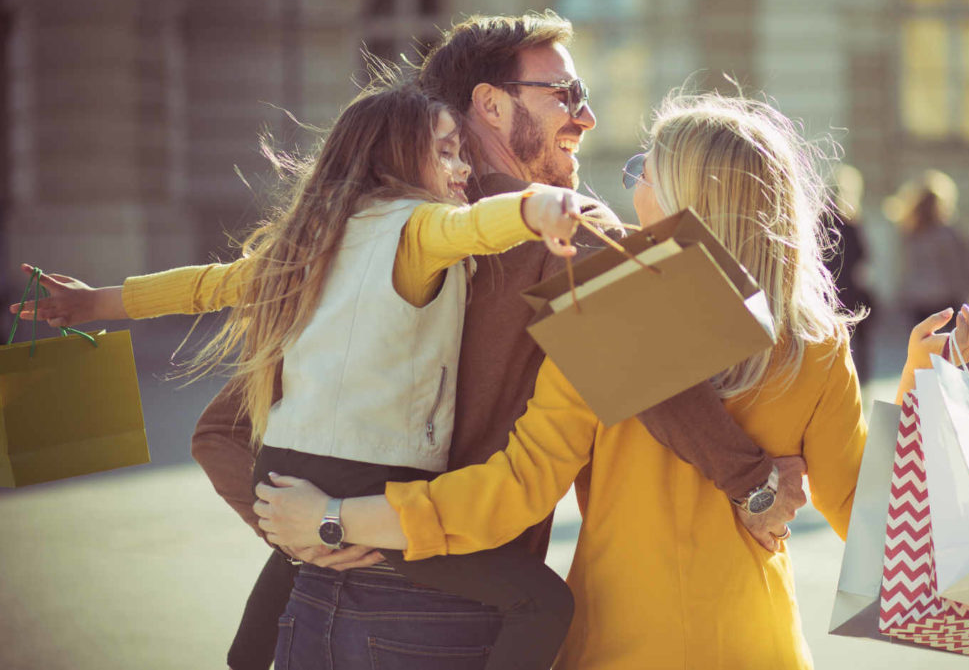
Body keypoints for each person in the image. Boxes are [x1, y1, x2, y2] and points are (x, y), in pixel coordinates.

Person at [254, 92, 969, 669]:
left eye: (647, 172)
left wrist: (336, 516)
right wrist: (930, 385)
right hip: (760, 647)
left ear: (684, 204)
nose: (632, 190)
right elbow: (875, 525)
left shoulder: (609, 315)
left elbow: (511, 493)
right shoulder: (815, 345)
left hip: (617, 648)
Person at [185, 12, 809, 670]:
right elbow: (658, 380)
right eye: (566, 94)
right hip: (438, 621)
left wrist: (309, 535)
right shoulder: (554, 231)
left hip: (309, 609)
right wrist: (755, 483)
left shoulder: (366, 240)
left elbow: (219, 432)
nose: (587, 117)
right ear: (489, 103)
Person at [12, 77, 588, 670]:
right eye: (444, 151)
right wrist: (536, 207)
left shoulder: (314, 238)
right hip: (367, 479)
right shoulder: (417, 228)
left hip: (285, 466)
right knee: (542, 601)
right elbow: (467, 228)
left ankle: (245, 658)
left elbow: (210, 285)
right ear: (393, 157)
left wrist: (96, 304)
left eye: (462, 151)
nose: (463, 167)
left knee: (295, 564)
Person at [889, 169, 969, 324]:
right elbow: (958, 267)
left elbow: (905, 267)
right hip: (944, 298)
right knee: (946, 345)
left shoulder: (911, 231)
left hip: (918, 298)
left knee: (922, 344)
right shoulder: (947, 233)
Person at [824, 163, 875, 382]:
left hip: (828, 291)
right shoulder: (853, 224)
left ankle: (836, 380)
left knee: (831, 342)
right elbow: (864, 259)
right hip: (851, 291)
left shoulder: (821, 221)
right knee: (858, 342)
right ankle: (858, 380)